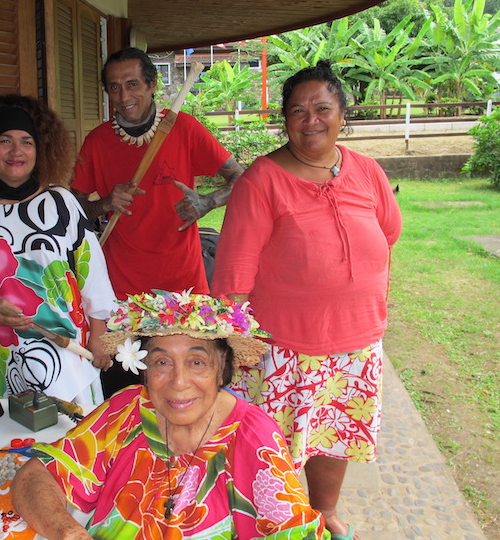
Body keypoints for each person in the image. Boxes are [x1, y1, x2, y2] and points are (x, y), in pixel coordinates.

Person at [211, 61, 402, 540]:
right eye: (298, 111)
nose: (311, 120)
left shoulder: (368, 171)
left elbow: (389, 231)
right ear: (285, 119)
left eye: (322, 108)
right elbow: (234, 271)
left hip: (357, 341)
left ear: (342, 113)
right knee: (271, 442)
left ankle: (325, 511)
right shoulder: (262, 179)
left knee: (333, 434)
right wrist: (233, 341)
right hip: (285, 345)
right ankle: (270, 519)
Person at [11, 290, 330, 539]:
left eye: (197, 363)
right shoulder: (128, 409)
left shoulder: (253, 438)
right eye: (162, 362)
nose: (178, 382)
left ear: (224, 370)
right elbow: (37, 476)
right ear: (145, 369)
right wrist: (69, 532)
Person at [71, 47, 244, 396]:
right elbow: (72, 208)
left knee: (187, 392)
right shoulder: (97, 142)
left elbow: (240, 178)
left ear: (152, 85)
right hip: (120, 293)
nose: (123, 96)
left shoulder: (185, 129)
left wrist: (207, 202)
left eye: (133, 84)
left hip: (184, 288)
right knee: (126, 396)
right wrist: (104, 203)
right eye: (114, 87)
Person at [0, 94, 115, 405]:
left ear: (37, 151)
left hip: (64, 347)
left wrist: (100, 335)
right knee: (1, 445)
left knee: (68, 439)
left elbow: (92, 273)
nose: (17, 151)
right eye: (5, 141)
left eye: (26, 142)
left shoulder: (62, 203)